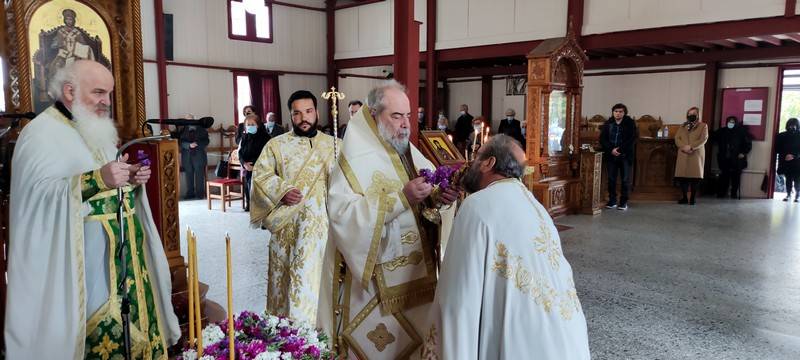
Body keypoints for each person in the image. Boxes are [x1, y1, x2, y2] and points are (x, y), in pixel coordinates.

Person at [7, 60, 179, 358]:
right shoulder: (39, 134)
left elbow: (110, 178)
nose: (106, 102)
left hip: (124, 262)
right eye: (99, 92)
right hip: (82, 266)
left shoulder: (95, 128)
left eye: (109, 94)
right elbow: (35, 202)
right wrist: (98, 178)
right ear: (70, 91)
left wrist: (131, 177)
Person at [323, 80, 459, 359]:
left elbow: (427, 197)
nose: (405, 124)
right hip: (374, 285)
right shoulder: (352, 158)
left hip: (416, 275)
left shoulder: (405, 149)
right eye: (396, 116)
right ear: (373, 115)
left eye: (408, 115)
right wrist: (401, 199)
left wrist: (439, 198)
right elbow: (343, 217)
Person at [427, 135, 590, 360]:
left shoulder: (477, 205)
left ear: (489, 163)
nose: (471, 164)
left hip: (520, 344)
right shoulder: (535, 205)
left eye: (476, 158)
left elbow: (458, 298)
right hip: (564, 341)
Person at [250, 90, 337, 324]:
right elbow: (260, 176)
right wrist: (282, 190)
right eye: (297, 113)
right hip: (290, 228)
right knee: (289, 283)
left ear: (317, 112)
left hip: (325, 228)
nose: (304, 118)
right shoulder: (276, 145)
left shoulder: (334, 145)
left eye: (308, 111)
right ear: (290, 116)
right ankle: (292, 338)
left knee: (322, 282)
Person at [599, 103, 637, 210]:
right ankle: (612, 201)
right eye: (616, 111)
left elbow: (632, 139)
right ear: (613, 112)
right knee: (611, 179)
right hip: (611, 155)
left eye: (620, 111)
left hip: (624, 155)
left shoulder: (630, 123)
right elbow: (602, 139)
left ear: (624, 113)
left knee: (625, 180)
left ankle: (623, 202)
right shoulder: (608, 123)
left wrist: (619, 150)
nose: (618, 113)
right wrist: (611, 149)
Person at [674, 106, 709, 205]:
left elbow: (703, 139)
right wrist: (683, 147)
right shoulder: (683, 126)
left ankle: (692, 198)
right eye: (689, 114)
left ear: (698, 115)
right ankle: (684, 198)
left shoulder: (703, 126)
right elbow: (677, 138)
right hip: (683, 153)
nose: (691, 115)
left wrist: (691, 147)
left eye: (693, 114)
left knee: (694, 178)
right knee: (683, 178)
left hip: (696, 154)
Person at [712, 116, 752, 198]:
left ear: (736, 123)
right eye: (729, 122)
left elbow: (748, 144)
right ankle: (722, 193)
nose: (731, 123)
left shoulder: (741, 132)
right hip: (724, 158)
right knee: (724, 176)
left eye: (733, 122)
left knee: (736, 177)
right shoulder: (722, 131)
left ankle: (733, 193)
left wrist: (743, 153)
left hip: (737, 159)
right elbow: (713, 138)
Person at [238, 114, 270, 211]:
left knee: (260, 192)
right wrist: (244, 164)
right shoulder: (244, 137)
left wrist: (255, 165)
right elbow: (240, 152)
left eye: (252, 124)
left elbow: (266, 154)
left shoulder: (265, 137)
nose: (250, 126)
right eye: (248, 124)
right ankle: (251, 206)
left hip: (261, 168)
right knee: (249, 188)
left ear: (258, 125)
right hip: (247, 167)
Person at [179, 113, 209, 199]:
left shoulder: (202, 129)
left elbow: (206, 141)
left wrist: (197, 144)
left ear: (194, 119)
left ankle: (200, 194)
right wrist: (188, 145)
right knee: (188, 175)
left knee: (199, 175)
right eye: (187, 119)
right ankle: (190, 194)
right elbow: (180, 142)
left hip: (199, 155)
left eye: (190, 119)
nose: (188, 121)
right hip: (187, 156)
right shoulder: (182, 129)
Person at [776, 118, 800, 202]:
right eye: (790, 125)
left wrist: (794, 155)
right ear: (787, 125)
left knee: (797, 179)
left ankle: (797, 195)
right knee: (788, 178)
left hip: (797, 161)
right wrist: (786, 155)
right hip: (786, 160)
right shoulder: (782, 135)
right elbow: (777, 148)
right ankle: (788, 194)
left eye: (794, 125)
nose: (792, 127)